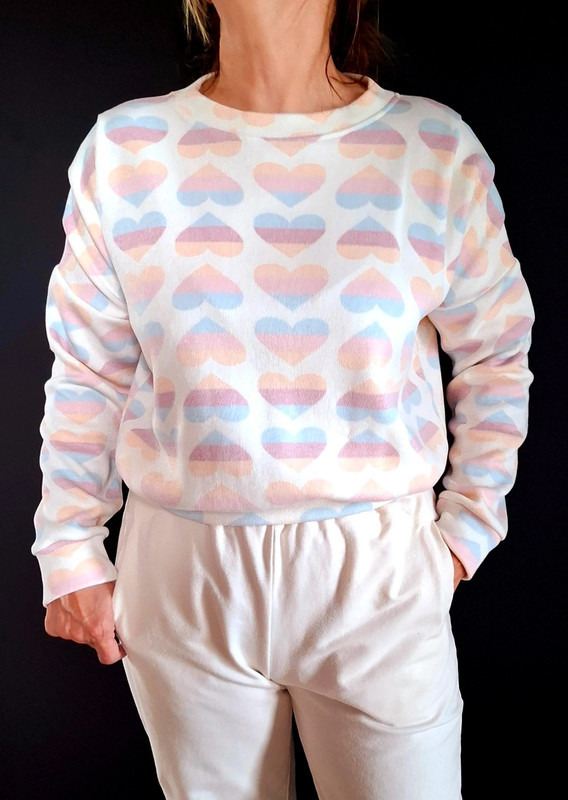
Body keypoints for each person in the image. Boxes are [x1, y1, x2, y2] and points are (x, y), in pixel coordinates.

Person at [32, 1, 534, 798]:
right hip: (183, 572)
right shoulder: (126, 149)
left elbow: (497, 350)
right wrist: (68, 548)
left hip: (377, 571)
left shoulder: (431, 149)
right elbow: (89, 368)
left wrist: (466, 531)